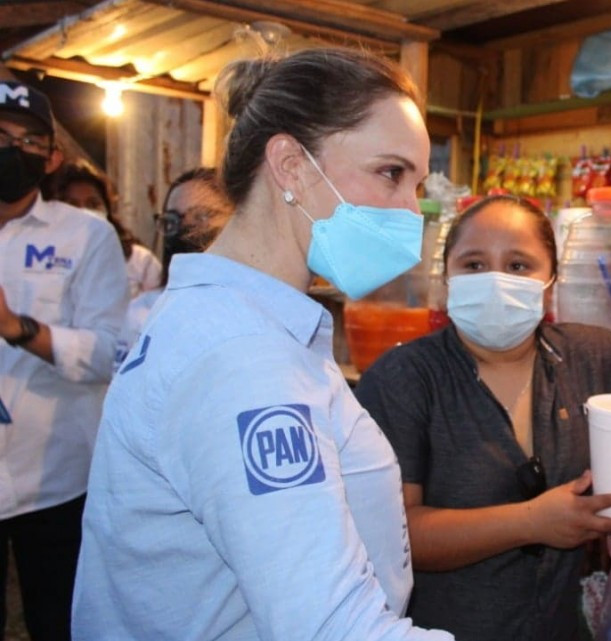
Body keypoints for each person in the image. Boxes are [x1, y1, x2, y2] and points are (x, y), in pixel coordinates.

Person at [72, 48, 453, 640]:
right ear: (291, 165)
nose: (412, 209)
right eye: (391, 173)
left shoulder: (244, 324)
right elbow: (331, 628)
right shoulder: (240, 355)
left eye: (418, 182)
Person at [354, 195, 611, 641]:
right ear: (447, 281)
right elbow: (395, 535)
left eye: (519, 266)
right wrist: (531, 521)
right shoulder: (404, 379)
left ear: (551, 282)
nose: (497, 281)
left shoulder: (590, 355)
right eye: (475, 265)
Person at [0, 80, 129, 641]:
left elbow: (107, 352)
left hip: (55, 480)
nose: (9, 149)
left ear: (52, 156)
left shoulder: (87, 236)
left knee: (61, 624)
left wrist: (18, 329)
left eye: (25, 139)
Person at [116, 166, 232, 356]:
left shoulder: (258, 308)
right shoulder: (144, 312)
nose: (185, 228)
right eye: (172, 220)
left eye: (201, 216)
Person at [47, 161, 163, 298]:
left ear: (107, 210)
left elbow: (161, 314)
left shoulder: (141, 261)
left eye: (92, 204)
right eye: (72, 205)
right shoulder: (43, 261)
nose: (83, 212)